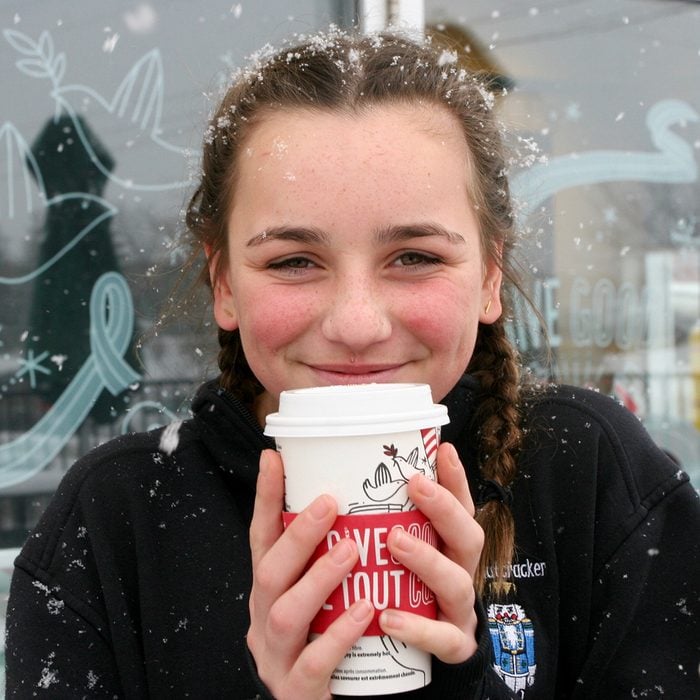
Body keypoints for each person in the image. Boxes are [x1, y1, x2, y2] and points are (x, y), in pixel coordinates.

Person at [5, 29, 699, 699]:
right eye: (295, 261)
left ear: (490, 274)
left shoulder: (591, 475)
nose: (357, 325)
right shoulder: (114, 524)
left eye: (415, 256)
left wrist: (454, 679)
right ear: (223, 285)